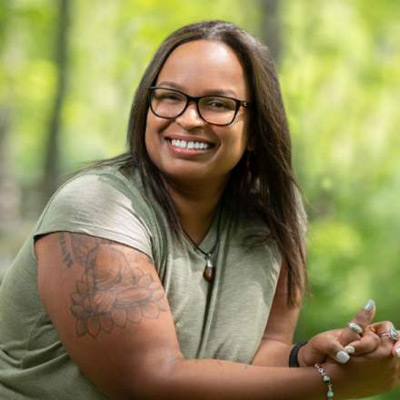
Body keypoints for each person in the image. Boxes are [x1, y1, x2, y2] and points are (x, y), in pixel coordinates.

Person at [0, 20, 399, 399]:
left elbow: (261, 355)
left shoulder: (275, 211)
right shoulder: (98, 208)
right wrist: (328, 384)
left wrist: (307, 358)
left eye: (217, 104)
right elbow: (150, 381)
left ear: (257, 128)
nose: (188, 119)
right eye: (170, 97)